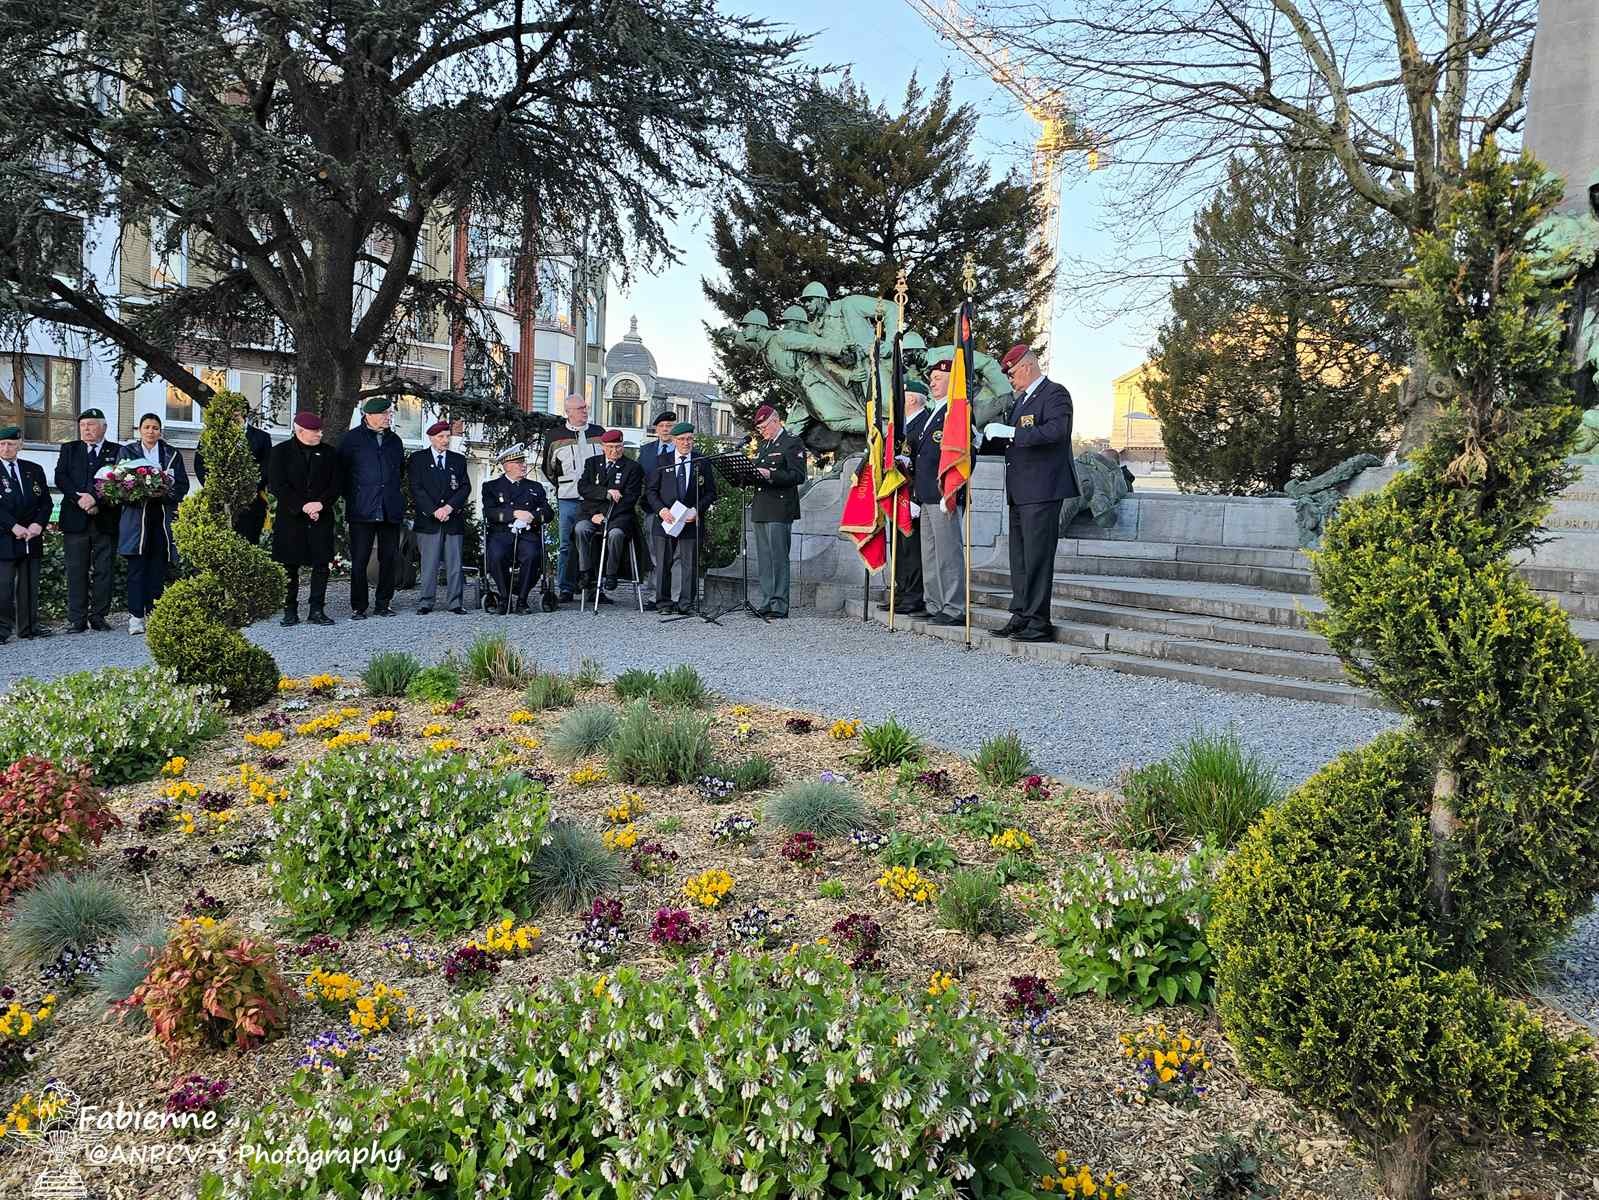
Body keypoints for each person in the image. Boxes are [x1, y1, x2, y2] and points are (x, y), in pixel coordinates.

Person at [983, 344, 1078, 642]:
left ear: (1026, 366)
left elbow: (1056, 432)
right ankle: (1022, 614)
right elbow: (1013, 445)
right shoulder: (1021, 402)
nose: (1010, 379)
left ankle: (1039, 621)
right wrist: (982, 441)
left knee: (1037, 557)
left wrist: (1012, 432)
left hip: (1043, 489)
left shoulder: (1055, 394)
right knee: (1020, 559)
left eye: (1011, 373)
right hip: (1021, 491)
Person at [117, 412, 190, 635]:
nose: (151, 431)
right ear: (140, 430)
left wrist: (164, 493)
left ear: (160, 431)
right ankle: (136, 617)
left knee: (158, 569)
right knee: (136, 570)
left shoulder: (171, 453)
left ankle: (155, 613)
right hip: (136, 520)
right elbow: (118, 484)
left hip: (162, 518)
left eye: (155, 428)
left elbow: (182, 485)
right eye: (147, 427)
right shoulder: (128, 452)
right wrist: (139, 493)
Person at [268, 411, 341, 626]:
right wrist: (303, 506)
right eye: (315, 431)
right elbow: (277, 485)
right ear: (300, 431)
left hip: (320, 516)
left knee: (321, 564)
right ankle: (289, 610)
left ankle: (316, 610)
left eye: (320, 430)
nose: (320, 434)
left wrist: (320, 504)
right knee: (289, 565)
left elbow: (336, 484)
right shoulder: (280, 452)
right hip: (291, 518)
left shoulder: (329, 453)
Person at [338, 396, 406, 619]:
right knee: (360, 559)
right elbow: (342, 473)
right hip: (362, 509)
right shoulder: (351, 440)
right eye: (384, 414)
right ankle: (359, 606)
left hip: (389, 508)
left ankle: (383, 603)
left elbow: (399, 472)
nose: (388, 417)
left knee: (389, 558)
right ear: (369, 415)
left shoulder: (395, 441)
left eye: (389, 413)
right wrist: (355, 496)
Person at [54, 408, 119, 632]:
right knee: (76, 570)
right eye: (82, 425)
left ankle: (99, 616)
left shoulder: (117, 451)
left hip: (105, 519)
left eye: (91, 424)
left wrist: (95, 500)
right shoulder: (69, 449)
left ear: (104, 427)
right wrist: (79, 499)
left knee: (104, 570)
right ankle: (77, 619)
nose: (86, 429)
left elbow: (119, 481)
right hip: (75, 519)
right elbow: (61, 477)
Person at [645, 421, 717, 615]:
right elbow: (650, 491)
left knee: (689, 565)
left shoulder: (701, 461)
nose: (686, 443)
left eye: (690, 439)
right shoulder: (662, 461)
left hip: (690, 520)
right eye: (682, 439)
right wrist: (661, 510)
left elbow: (711, 492)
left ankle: (686, 604)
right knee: (663, 564)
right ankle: (663, 603)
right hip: (666, 520)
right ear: (674, 440)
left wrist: (696, 510)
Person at [540, 393, 605, 603]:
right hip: (569, 497)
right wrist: (564, 486)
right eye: (580, 408)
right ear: (568, 412)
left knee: (595, 542)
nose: (584, 411)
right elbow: (548, 468)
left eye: (585, 407)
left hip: (595, 500)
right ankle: (566, 588)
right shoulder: (555, 436)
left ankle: (595, 588)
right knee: (566, 544)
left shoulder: (598, 433)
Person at [918, 352, 967, 626]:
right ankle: (934, 602)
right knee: (930, 553)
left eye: (938, 378)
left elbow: (961, 453)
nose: (932, 382)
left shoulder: (955, 411)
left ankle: (954, 607)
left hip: (943, 492)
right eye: (932, 378)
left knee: (948, 552)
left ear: (952, 380)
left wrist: (950, 490)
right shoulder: (933, 412)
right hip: (926, 493)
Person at [748, 403, 805, 618]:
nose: (762, 431)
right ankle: (766, 601)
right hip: (761, 506)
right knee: (764, 558)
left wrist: (770, 475)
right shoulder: (764, 445)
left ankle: (779, 604)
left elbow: (798, 475)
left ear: (775, 421)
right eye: (760, 428)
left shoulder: (792, 442)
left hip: (780, 508)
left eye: (764, 427)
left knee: (778, 558)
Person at [575, 429, 645, 603]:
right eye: (611, 447)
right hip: (592, 514)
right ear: (602, 447)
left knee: (615, 534)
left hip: (619, 516)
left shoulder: (632, 467)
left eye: (619, 447)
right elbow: (583, 488)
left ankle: (611, 573)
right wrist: (605, 494)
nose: (615, 451)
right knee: (580, 529)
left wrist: (606, 516)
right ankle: (585, 572)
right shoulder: (592, 463)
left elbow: (630, 498)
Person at [483, 445, 554, 613]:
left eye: (523, 462)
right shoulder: (492, 487)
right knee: (496, 555)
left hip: (527, 533)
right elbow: (490, 512)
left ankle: (522, 599)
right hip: (502, 533)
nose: (523, 466)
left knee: (532, 555)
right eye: (518, 463)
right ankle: (504, 598)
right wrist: (514, 513)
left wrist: (532, 516)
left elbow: (548, 512)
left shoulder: (535, 487)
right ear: (507, 466)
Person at [408, 420, 470, 615]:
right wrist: (434, 510)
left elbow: (464, 487)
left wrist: (449, 507)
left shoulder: (458, 460)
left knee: (454, 564)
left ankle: (455, 602)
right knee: (429, 564)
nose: (445, 440)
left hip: (452, 519)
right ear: (431, 438)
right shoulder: (418, 459)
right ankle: (426, 602)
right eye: (440, 437)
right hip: (429, 520)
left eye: (447, 436)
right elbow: (416, 488)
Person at [0, 425, 51, 644]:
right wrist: (12, 526)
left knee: (29, 584)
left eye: (11, 444)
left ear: (20, 445)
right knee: (3, 587)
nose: (6, 448)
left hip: (31, 536)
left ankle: (28, 626)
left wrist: (38, 524)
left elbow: (46, 502)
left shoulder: (33, 469)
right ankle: (2, 630)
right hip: (4, 537)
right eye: (2, 444)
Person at [883, 380, 929, 617]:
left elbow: (926, 463)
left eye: (900, 396)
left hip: (912, 495)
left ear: (911, 399)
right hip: (897, 493)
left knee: (912, 549)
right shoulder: (901, 426)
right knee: (898, 548)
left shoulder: (924, 423)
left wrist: (916, 497)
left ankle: (913, 596)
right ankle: (900, 593)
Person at [194, 415, 272, 545]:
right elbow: (200, 464)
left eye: (236, 411)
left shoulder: (262, 437)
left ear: (244, 412)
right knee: (219, 544)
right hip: (219, 501)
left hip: (250, 502)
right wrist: (215, 488)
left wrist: (248, 490)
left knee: (247, 543)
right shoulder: (211, 435)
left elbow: (266, 467)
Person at [637, 409, 677, 609]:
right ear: (656, 429)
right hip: (653, 508)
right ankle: (655, 595)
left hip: (677, 510)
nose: (665, 429)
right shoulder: (646, 451)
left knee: (676, 554)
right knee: (654, 552)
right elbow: (639, 479)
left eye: (669, 426)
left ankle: (675, 595)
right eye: (662, 426)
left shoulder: (682, 449)